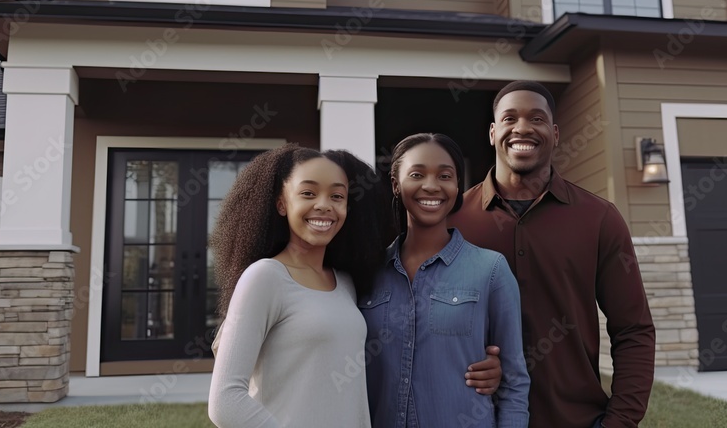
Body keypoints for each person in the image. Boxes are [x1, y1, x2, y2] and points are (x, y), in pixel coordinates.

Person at [207, 144, 504, 427]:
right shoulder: (265, 277)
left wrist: (479, 363)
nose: (323, 206)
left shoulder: (346, 283)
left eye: (337, 196)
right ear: (282, 203)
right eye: (308, 193)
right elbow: (225, 401)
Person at [448, 81, 656, 428]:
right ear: (492, 132)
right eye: (510, 118)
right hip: (473, 419)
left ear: (556, 133)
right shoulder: (454, 221)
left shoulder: (599, 218)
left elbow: (633, 331)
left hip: (575, 419)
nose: (523, 128)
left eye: (537, 119)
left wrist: (619, 422)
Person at [361, 133, 529, 427]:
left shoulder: (490, 270)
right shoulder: (368, 273)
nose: (431, 185)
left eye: (445, 175)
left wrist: (497, 369)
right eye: (417, 174)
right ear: (395, 184)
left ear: (456, 186)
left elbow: (514, 382)